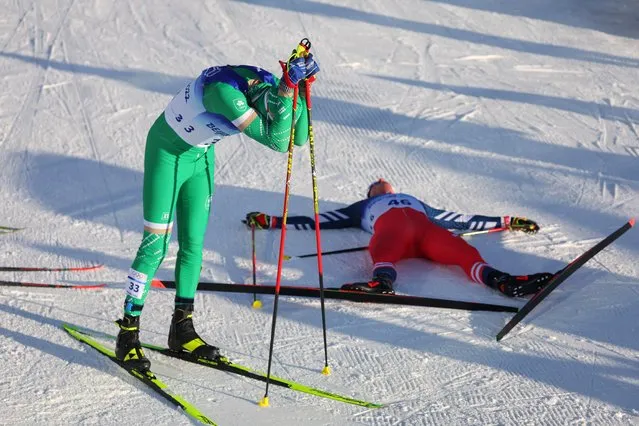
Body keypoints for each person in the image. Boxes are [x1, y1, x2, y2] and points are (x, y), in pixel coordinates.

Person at [116, 44, 320, 372]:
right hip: (167, 155)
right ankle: (127, 334)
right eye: (269, 111)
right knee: (155, 246)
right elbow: (278, 141)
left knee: (193, 245)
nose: (268, 116)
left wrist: (301, 91)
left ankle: (182, 330)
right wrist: (287, 89)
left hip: (199, 159)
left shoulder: (264, 84)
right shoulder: (227, 94)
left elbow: (296, 138)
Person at [245, 178, 553, 297]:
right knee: (383, 245)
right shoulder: (363, 207)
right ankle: (383, 283)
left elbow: (459, 220)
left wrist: (507, 221)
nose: (380, 183)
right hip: (393, 235)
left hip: (427, 233)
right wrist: (272, 221)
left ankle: (502, 281)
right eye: (375, 185)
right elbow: (321, 221)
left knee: (461, 249)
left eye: (383, 183)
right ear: (370, 193)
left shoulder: (414, 200)